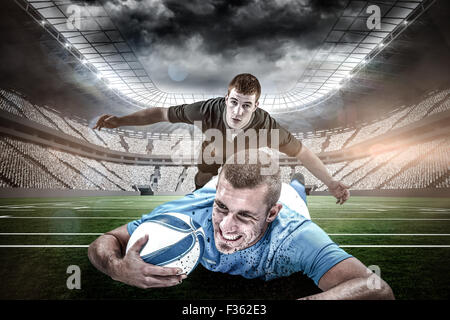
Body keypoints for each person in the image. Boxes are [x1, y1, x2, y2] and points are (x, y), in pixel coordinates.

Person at [88, 150, 394, 299]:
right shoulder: (188, 214)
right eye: (222, 208)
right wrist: (116, 267)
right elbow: (104, 242)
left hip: (290, 199)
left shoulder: (295, 235)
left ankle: (298, 185)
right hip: (216, 189)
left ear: (272, 215)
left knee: (296, 191)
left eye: (245, 216)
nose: (225, 227)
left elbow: (377, 289)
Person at [93, 73, 350, 205]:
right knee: (205, 193)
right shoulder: (206, 110)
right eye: (234, 102)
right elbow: (161, 113)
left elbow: (303, 153)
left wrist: (330, 181)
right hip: (211, 161)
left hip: (243, 163)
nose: (238, 112)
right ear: (226, 99)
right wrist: (120, 120)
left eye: (246, 106)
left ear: (256, 106)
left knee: (258, 177)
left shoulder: (266, 125)